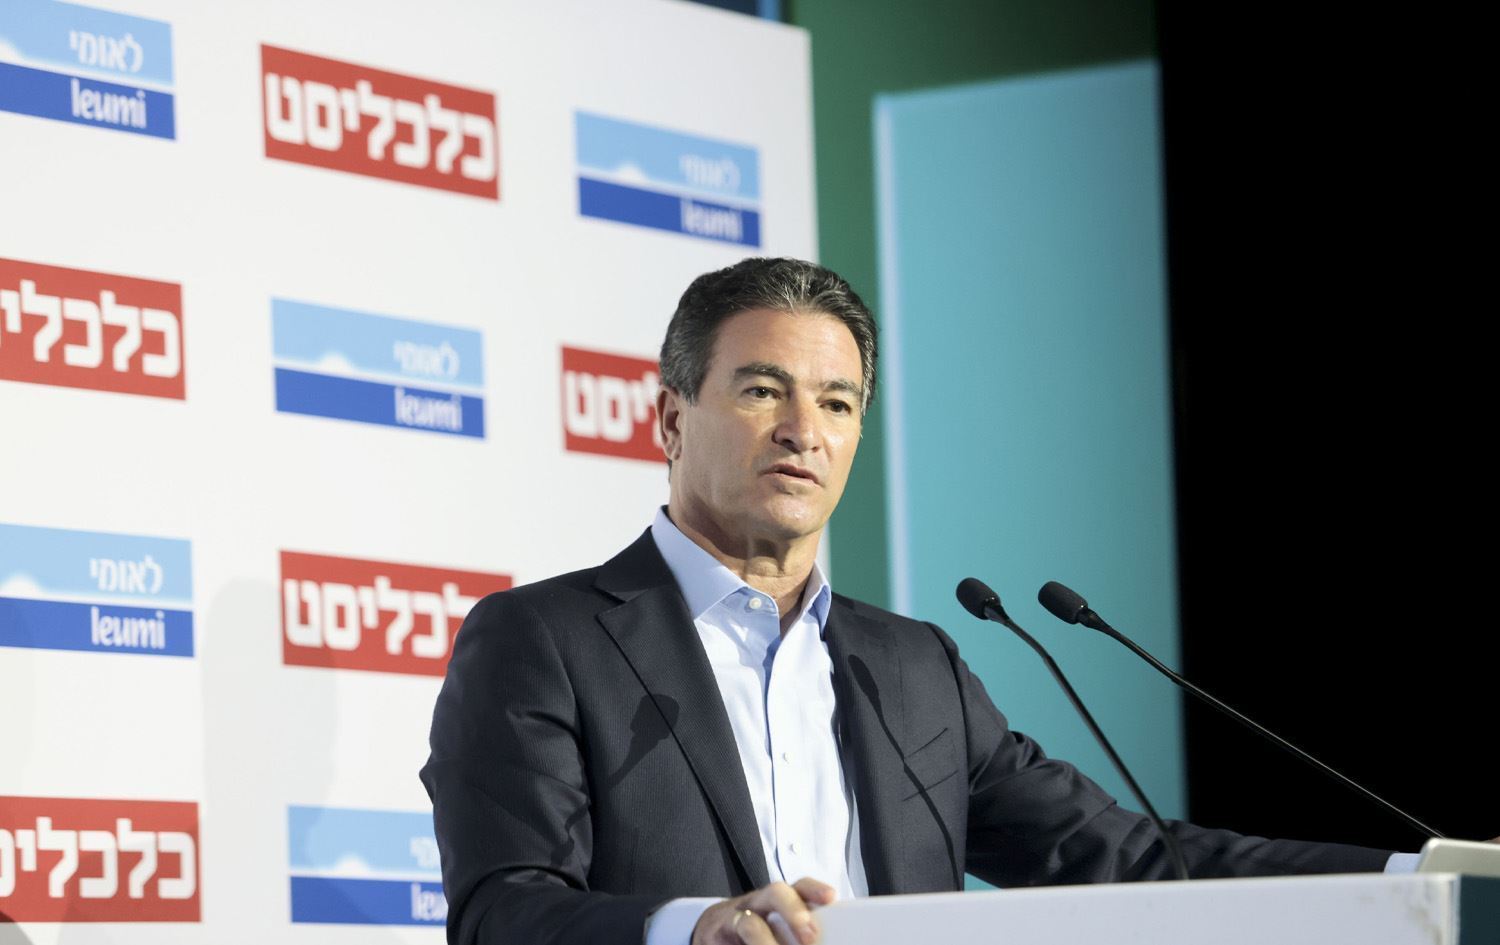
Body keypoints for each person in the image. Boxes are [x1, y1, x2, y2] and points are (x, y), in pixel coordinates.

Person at [420, 257, 1396, 945]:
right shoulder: (544, 640)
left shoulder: (913, 667)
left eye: (837, 403)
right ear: (672, 419)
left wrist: (1413, 878)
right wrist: (692, 927)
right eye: (762, 391)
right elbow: (502, 909)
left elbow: (1126, 859)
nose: (803, 429)